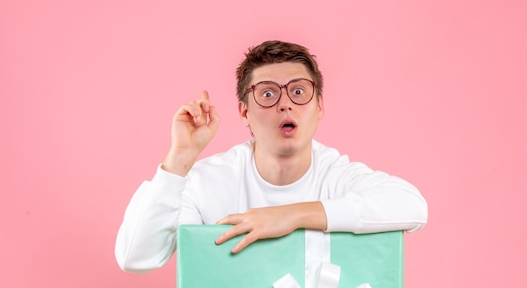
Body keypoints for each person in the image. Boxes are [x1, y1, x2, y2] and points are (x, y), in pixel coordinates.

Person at [115, 40, 427, 273]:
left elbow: (412, 206)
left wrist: (289, 216)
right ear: (244, 113)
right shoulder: (207, 182)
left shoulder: (337, 175)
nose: (285, 104)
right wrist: (179, 159)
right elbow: (136, 257)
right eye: (267, 93)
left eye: (299, 91)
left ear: (319, 106)